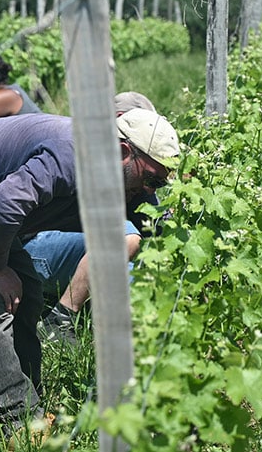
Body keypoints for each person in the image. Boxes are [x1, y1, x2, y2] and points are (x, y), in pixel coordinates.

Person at [0, 109, 180, 439]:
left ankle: (27, 404)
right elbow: (0, 208)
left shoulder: (124, 174)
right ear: (124, 152)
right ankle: (18, 427)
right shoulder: (73, 157)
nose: (150, 189)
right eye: (152, 179)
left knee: (26, 296)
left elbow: (152, 222)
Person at [23, 91, 162, 342]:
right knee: (126, 237)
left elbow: (155, 223)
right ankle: (60, 319)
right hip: (34, 246)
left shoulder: (130, 167)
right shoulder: (80, 154)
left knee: (140, 282)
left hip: (74, 245)